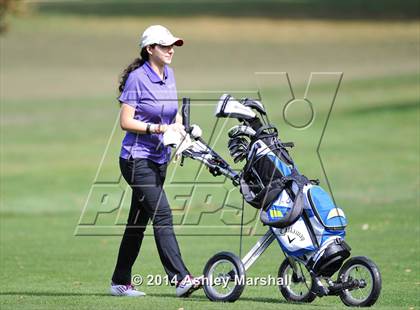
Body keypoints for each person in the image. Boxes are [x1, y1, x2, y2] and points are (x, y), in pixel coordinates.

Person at [110, 25, 200, 297]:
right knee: (162, 213)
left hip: (159, 159)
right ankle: (181, 279)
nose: (171, 50)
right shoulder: (138, 78)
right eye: (164, 46)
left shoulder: (169, 74)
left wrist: (181, 130)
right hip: (136, 160)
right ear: (150, 49)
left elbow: (172, 114)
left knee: (137, 223)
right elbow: (126, 121)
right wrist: (160, 130)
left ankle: (119, 282)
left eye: (173, 45)